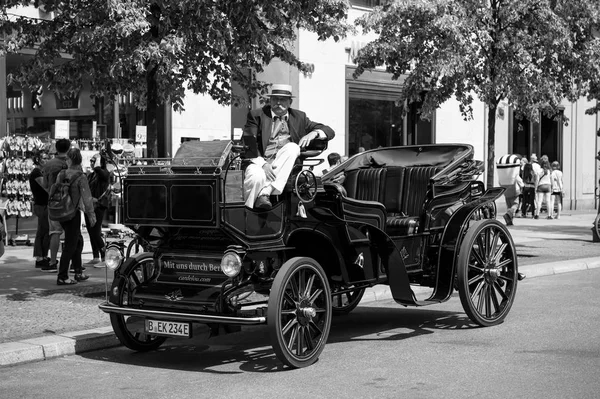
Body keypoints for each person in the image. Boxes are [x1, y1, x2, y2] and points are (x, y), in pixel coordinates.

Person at [242, 83, 335, 210]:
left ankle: (265, 193)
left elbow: (329, 130)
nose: (278, 103)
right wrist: (263, 164)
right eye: (275, 99)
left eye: (283, 100)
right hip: (260, 162)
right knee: (256, 177)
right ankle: (248, 214)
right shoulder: (257, 115)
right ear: (270, 100)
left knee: (293, 147)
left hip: (286, 166)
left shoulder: (299, 117)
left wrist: (314, 133)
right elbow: (248, 141)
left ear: (290, 102)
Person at [56, 148, 96, 285]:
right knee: (71, 245)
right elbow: (87, 198)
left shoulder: (61, 174)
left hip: (61, 211)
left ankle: (78, 271)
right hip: (73, 214)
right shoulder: (81, 176)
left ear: (69, 159)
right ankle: (62, 276)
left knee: (77, 241)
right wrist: (91, 215)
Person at [41, 138, 71, 273]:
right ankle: (73, 264)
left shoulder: (49, 164)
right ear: (69, 148)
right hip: (70, 203)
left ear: (56, 148)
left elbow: (45, 185)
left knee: (54, 232)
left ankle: (53, 261)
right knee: (73, 234)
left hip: (53, 202)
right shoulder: (72, 163)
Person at [85, 154, 111, 268]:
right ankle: (95, 256)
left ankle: (104, 257)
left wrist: (98, 162)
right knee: (91, 232)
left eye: (93, 161)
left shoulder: (103, 173)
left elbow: (101, 173)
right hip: (90, 205)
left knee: (95, 232)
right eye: (91, 161)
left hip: (99, 205)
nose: (91, 163)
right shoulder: (91, 175)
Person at [29, 150, 50, 269]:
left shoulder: (41, 172)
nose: (46, 160)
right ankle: (40, 257)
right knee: (42, 231)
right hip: (41, 205)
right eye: (44, 158)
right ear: (38, 159)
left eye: (47, 158)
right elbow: (46, 187)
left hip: (44, 204)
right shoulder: (36, 173)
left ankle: (43, 256)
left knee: (45, 231)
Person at [496, 154, 524, 226]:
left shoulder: (504, 174)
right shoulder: (515, 173)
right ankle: (509, 214)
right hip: (514, 189)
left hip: (505, 189)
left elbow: (499, 181)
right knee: (515, 204)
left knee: (508, 205)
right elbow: (520, 182)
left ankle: (509, 221)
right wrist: (522, 186)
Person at [534, 155, 553, 220]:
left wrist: (536, 187)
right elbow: (552, 180)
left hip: (541, 186)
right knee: (548, 201)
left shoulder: (539, 171)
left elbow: (537, 180)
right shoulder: (549, 171)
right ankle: (549, 215)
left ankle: (537, 215)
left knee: (539, 201)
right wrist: (552, 187)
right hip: (548, 186)